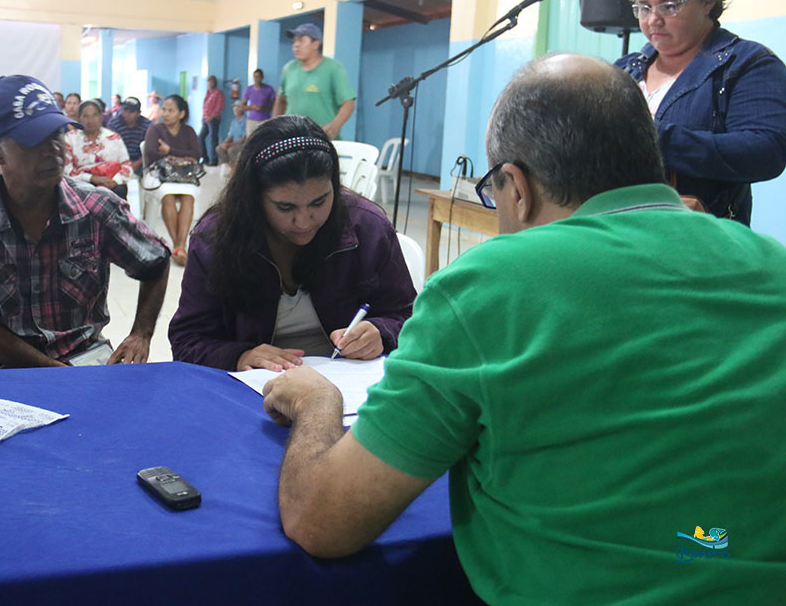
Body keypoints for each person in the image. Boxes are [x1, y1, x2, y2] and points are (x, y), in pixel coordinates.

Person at [260, 54, 786, 602]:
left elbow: (321, 523)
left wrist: (318, 404)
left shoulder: (491, 284)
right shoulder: (772, 264)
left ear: (517, 186)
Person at [0, 75, 171, 370]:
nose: (53, 150)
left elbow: (156, 262)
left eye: (57, 135)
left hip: (83, 356)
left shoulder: (96, 207)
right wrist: (57, 374)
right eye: (33, 141)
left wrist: (141, 333)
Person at [168, 114, 415, 371]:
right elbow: (187, 340)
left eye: (319, 202)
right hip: (254, 387)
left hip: (348, 383)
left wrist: (382, 332)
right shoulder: (215, 239)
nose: (304, 222)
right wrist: (239, 356)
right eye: (285, 207)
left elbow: (411, 317)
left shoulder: (367, 227)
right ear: (254, 198)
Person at [616, 0, 786, 225]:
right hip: (619, 231)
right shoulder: (625, 70)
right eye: (644, 7)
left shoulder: (747, 64)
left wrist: (652, 138)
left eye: (669, 6)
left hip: (701, 240)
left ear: (708, 1)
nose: (653, 20)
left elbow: (766, 151)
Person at [143, 94, 201, 266]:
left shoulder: (189, 131)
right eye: (164, 109)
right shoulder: (155, 130)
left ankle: (178, 247)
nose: (165, 113)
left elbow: (197, 154)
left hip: (185, 177)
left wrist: (169, 150)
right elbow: (152, 153)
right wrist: (180, 153)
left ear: (181, 114)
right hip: (160, 175)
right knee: (167, 196)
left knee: (188, 197)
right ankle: (180, 247)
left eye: (171, 110)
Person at [273, 24, 356, 140]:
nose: (296, 45)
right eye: (295, 41)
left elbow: (348, 104)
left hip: (321, 140)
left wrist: (334, 127)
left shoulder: (333, 68)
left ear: (316, 44)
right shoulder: (289, 68)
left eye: (301, 40)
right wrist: (274, 127)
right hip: (292, 139)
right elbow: (281, 99)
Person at [66, 99, 134, 199]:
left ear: (101, 117)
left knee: (120, 189)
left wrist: (114, 181)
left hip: (111, 182)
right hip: (82, 183)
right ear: (79, 118)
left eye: (95, 115)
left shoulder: (114, 137)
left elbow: (127, 165)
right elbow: (67, 170)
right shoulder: (70, 138)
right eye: (85, 116)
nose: (90, 120)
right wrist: (92, 178)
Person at [107, 96, 150, 176]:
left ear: (138, 113)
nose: (127, 114)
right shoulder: (114, 124)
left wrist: (137, 163)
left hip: (140, 163)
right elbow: (110, 148)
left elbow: (149, 150)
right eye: (125, 110)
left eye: (131, 112)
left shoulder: (147, 125)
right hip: (117, 161)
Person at [198, 75, 224, 165]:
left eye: (212, 82)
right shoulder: (208, 93)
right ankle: (205, 159)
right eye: (209, 82)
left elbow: (220, 106)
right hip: (205, 119)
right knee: (200, 137)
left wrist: (212, 116)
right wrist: (203, 118)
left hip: (214, 119)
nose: (210, 83)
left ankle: (214, 160)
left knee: (214, 139)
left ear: (215, 83)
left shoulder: (218, 93)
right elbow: (205, 107)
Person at [242, 68, 275, 135]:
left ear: (262, 77)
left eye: (258, 77)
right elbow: (242, 107)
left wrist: (264, 107)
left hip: (265, 120)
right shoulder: (249, 89)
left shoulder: (269, 89)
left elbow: (274, 105)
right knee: (250, 140)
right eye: (255, 77)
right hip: (252, 120)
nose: (256, 79)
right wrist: (253, 107)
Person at [215, 102, 247, 168]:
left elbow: (243, 139)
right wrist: (224, 143)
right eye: (234, 107)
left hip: (242, 144)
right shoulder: (234, 121)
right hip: (233, 143)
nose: (234, 109)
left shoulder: (246, 121)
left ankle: (235, 168)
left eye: (237, 107)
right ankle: (226, 166)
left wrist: (230, 145)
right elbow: (230, 136)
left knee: (231, 150)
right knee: (219, 148)